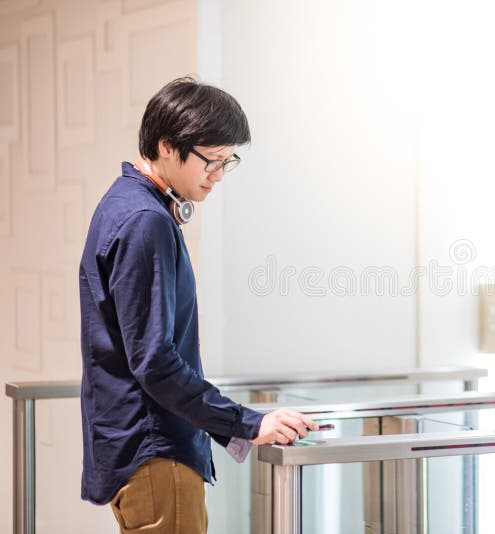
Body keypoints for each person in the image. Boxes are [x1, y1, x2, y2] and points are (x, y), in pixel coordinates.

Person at [78, 76, 317, 533]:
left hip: (136, 447)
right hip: (156, 453)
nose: (219, 175)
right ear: (168, 146)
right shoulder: (145, 220)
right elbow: (155, 362)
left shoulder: (122, 203)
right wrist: (247, 422)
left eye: (229, 161)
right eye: (211, 161)